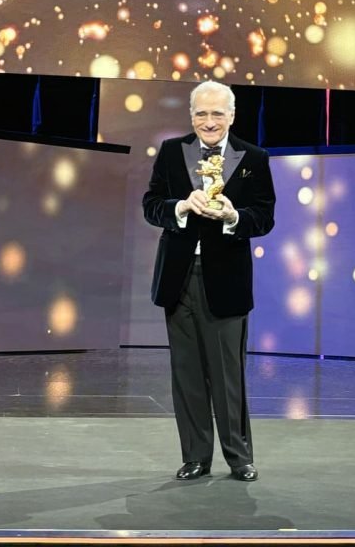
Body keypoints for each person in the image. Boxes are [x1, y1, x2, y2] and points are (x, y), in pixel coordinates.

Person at [142, 80, 276, 481]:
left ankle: (239, 457)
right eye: (201, 113)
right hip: (178, 279)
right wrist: (180, 207)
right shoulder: (170, 151)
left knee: (227, 377)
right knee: (186, 375)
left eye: (218, 113)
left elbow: (265, 217)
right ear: (191, 115)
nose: (209, 121)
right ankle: (196, 457)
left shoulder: (254, 157)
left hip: (227, 281)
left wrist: (234, 217)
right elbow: (151, 205)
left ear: (231, 116)